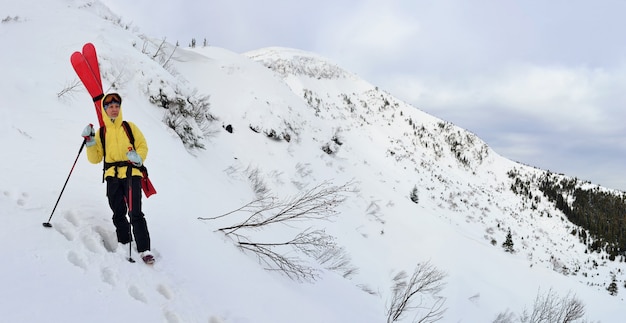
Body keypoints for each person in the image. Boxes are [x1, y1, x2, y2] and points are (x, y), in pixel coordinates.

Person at [80, 93, 154, 264]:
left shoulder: (129, 127)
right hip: (112, 176)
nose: (114, 109)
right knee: (118, 211)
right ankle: (124, 241)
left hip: (132, 174)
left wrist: (138, 157)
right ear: (105, 110)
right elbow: (95, 158)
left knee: (135, 212)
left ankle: (145, 249)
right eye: (110, 107)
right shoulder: (102, 132)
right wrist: (90, 141)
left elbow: (143, 146)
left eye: (116, 106)